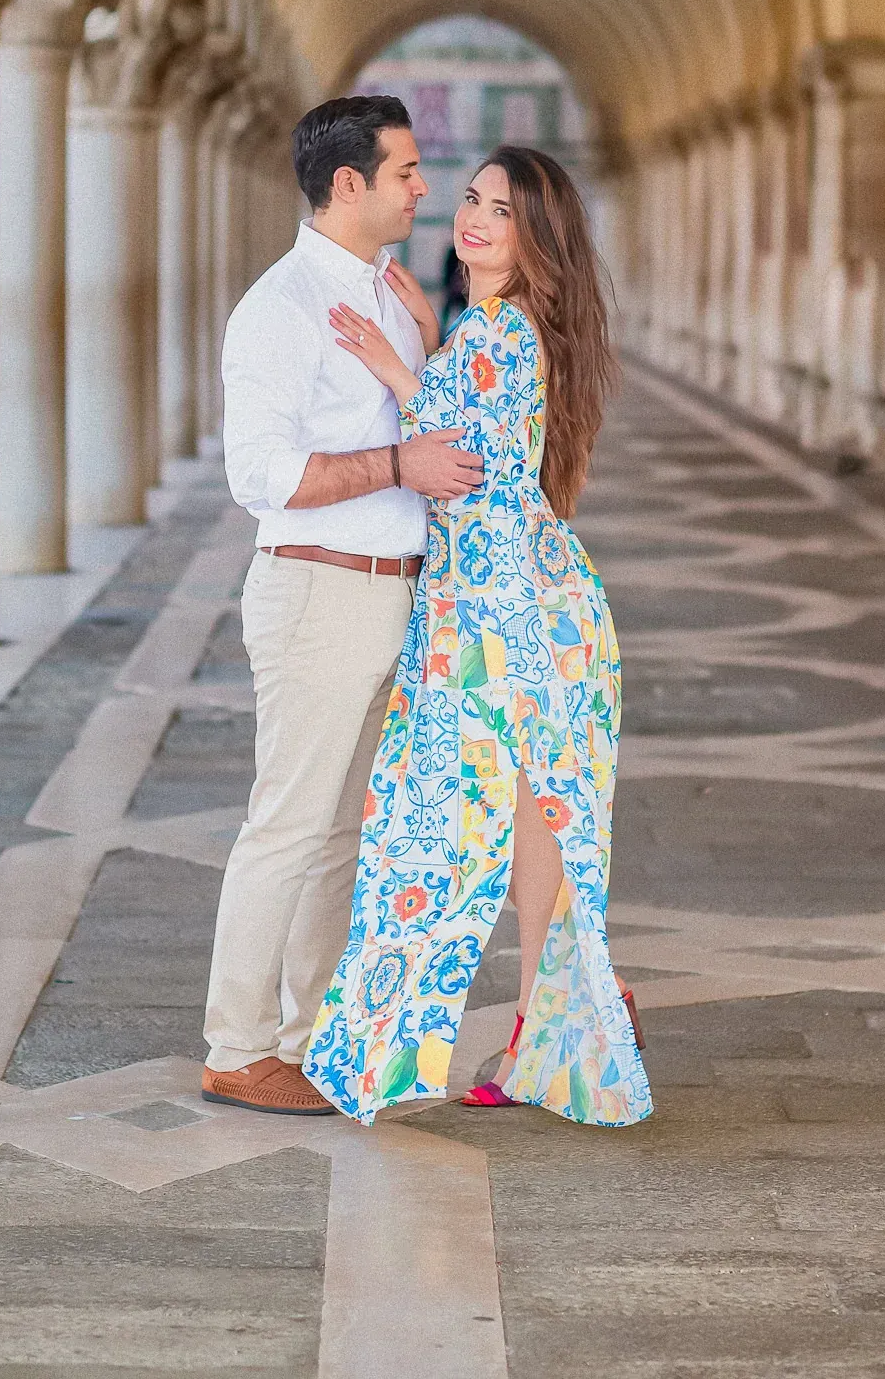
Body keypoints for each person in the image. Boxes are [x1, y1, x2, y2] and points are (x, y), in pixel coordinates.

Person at [303, 145, 653, 1127]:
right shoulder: (500, 324)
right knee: (537, 831)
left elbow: (464, 465)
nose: (472, 217)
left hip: (501, 615)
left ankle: (410, 1044)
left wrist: (388, 364)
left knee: (441, 830)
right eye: (470, 198)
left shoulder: (498, 330)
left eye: (499, 209)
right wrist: (422, 335)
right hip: (528, 605)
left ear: (533, 234)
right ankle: (568, 1015)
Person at [202, 94, 484, 1115]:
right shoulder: (279, 308)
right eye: (405, 170)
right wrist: (397, 460)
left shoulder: (384, 290)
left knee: (336, 835)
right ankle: (237, 1045)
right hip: (319, 585)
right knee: (285, 827)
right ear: (348, 183)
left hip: (386, 592)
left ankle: (304, 1034)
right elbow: (261, 474)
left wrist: (422, 340)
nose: (422, 186)